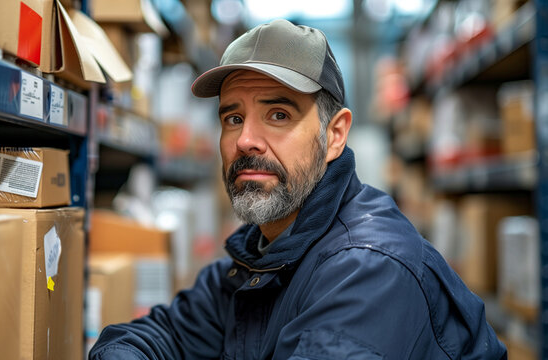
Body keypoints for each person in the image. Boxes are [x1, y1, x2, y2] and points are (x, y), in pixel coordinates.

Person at [89, 19, 506, 359]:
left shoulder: (368, 270)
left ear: (335, 134)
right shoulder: (259, 259)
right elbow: (151, 338)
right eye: (233, 118)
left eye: (278, 114)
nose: (245, 140)